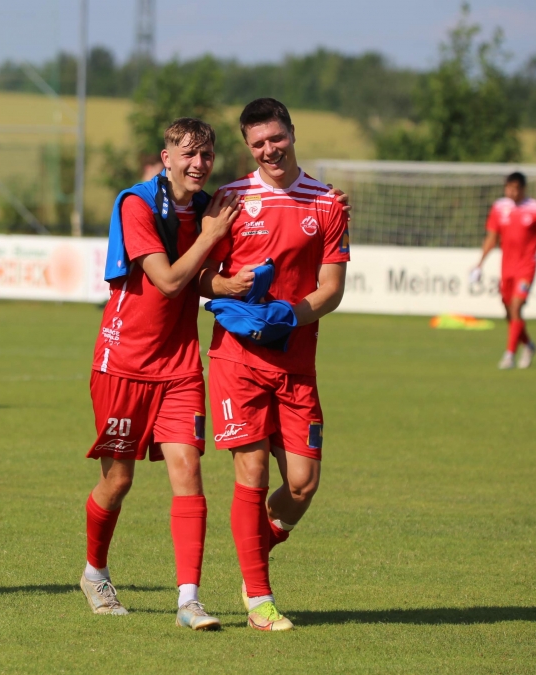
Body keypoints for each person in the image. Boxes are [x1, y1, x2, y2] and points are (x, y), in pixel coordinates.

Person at [80, 117, 241, 630]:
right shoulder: (138, 204)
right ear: (166, 158)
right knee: (118, 480)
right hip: (123, 363)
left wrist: (227, 284)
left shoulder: (210, 207)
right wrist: (210, 235)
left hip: (180, 366)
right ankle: (95, 572)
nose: (199, 163)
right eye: (188, 154)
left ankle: (189, 601)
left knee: (188, 469)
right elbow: (169, 280)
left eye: (206, 154)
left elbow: (202, 277)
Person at [198, 98, 350, 631]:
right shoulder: (230, 199)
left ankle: (253, 555)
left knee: (303, 484)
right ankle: (259, 601)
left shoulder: (328, 203)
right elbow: (200, 277)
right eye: (258, 143)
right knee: (254, 472)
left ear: (292, 132)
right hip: (237, 359)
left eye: (276, 138)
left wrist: (288, 314)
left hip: (296, 363)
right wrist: (229, 287)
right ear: (248, 146)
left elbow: (332, 288)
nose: (269, 150)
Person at [472, 172, 536, 369]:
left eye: (516, 188)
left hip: (527, 267)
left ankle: (509, 355)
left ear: (523, 188)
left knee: (516, 307)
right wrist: (479, 264)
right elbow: (492, 237)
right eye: (509, 188)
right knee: (509, 312)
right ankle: (528, 345)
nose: (512, 192)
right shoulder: (499, 207)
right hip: (507, 267)